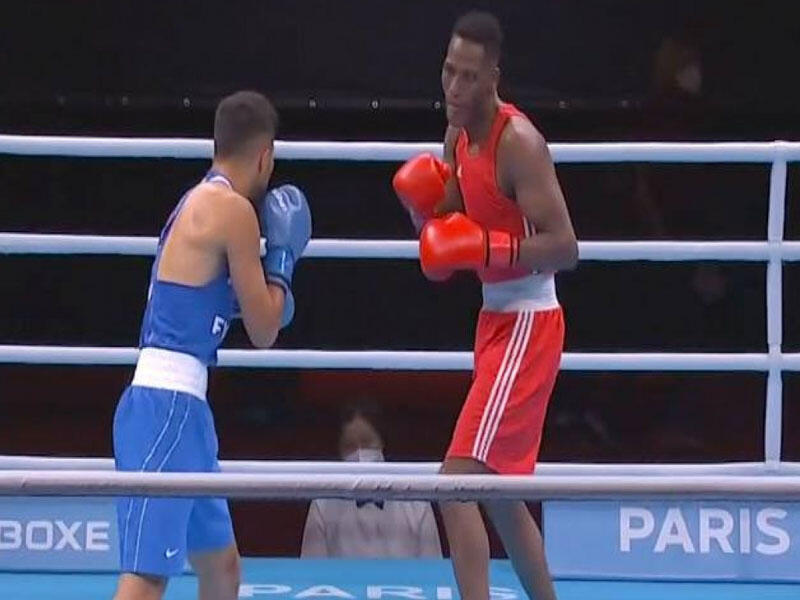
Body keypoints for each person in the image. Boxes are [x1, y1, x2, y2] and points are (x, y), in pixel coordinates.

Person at [392, 11, 577, 600]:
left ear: (493, 77)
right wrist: (424, 214)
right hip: (495, 319)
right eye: (449, 71)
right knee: (499, 495)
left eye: (468, 76)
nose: (454, 86)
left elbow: (566, 247)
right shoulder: (456, 138)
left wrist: (493, 247)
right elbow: (450, 221)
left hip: (529, 322)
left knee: (455, 486)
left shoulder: (518, 143)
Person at [112, 90, 312, 600]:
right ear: (265, 155)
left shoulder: (197, 201)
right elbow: (266, 330)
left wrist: (267, 293)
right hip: (167, 409)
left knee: (222, 567)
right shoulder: (233, 211)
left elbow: (229, 307)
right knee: (146, 578)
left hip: (185, 412)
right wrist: (284, 260)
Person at [300, 404, 442, 558]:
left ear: (382, 443)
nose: (359, 453)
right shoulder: (322, 505)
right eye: (349, 446)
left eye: (367, 443)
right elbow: (311, 568)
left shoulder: (417, 503)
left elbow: (433, 565)